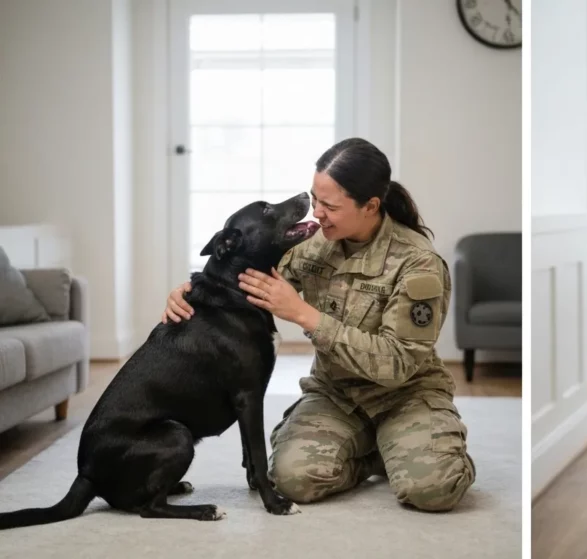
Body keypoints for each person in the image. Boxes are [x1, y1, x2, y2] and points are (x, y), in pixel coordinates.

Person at [162, 137, 475, 512]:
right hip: (336, 395)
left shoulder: (418, 264)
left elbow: (398, 364)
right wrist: (188, 292)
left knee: (433, 490)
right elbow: (240, 278)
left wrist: (305, 315)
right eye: (315, 199)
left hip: (405, 396)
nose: (317, 213)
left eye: (330, 206)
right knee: (292, 481)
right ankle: (379, 456)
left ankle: (414, 449)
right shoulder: (311, 245)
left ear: (370, 206)